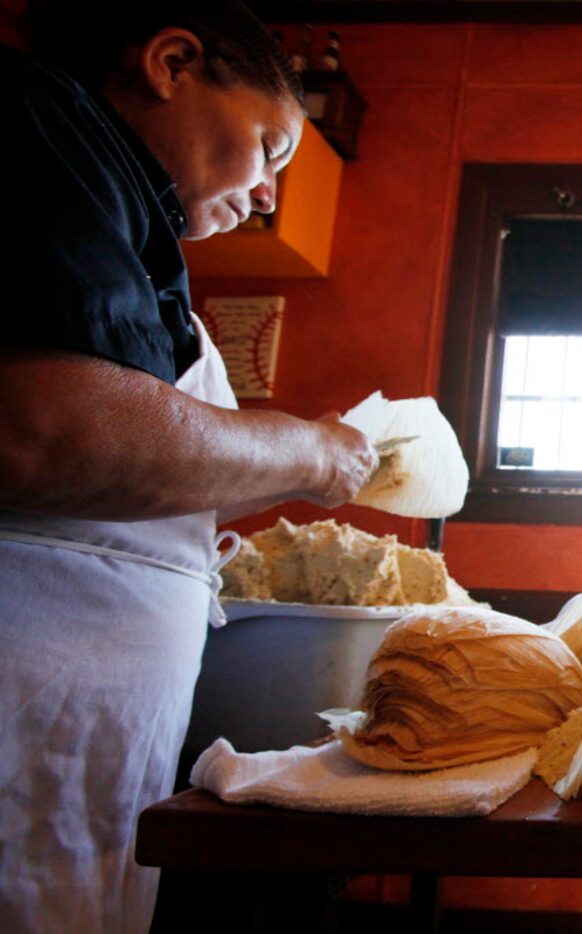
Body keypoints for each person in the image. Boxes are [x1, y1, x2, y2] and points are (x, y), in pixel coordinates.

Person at [0, 2, 378, 930]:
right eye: (270, 150)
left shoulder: (117, 210)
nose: (265, 196)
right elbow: (53, 433)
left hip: (70, 732)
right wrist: (310, 450)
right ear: (173, 63)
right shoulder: (43, 128)